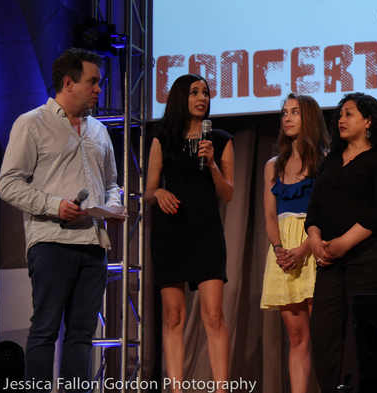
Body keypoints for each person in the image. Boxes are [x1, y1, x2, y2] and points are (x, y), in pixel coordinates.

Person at [0, 47, 124, 392]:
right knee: (45, 329)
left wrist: (113, 207)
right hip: (52, 243)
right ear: (68, 83)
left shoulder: (99, 131)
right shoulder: (31, 123)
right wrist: (56, 205)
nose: (100, 89)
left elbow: (112, 184)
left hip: (93, 245)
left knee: (82, 334)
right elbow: (7, 184)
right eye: (93, 81)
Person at [305, 92, 377, 393]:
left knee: (360, 337)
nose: (341, 119)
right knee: (324, 336)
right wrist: (314, 239)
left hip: (374, 257)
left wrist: (344, 242)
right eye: (340, 114)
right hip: (331, 261)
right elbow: (315, 209)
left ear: (368, 121)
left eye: (349, 113)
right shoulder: (331, 162)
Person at [145, 74, 234, 393]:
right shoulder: (162, 139)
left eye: (207, 92)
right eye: (195, 92)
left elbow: (228, 194)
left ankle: (221, 389)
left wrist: (211, 164)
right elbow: (148, 190)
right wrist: (158, 195)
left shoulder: (220, 138)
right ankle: (176, 389)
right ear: (180, 97)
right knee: (172, 315)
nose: (202, 97)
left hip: (206, 230)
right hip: (171, 232)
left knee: (213, 314)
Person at [260, 93, 329, 393]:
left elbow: (328, 210)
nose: (287, 118)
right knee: (297, 338)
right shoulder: (273, 166)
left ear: (309, 117)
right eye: (284, 112)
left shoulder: (326, 160)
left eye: (295, 112)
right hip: (283, 255)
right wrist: (279, 250)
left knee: (323, 335)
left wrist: (304, 249)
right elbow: (270, 216)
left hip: (313, 247)